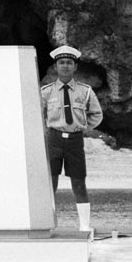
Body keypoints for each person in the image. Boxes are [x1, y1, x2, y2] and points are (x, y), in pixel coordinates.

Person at [41, 45, 103, 235]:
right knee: (50, 183)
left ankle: (84, 225)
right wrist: (48, 131)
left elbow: (96, 115)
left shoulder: (85, 91)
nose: (65, 66)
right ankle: (47, 224)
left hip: (75, 141)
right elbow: (38, 115)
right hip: (54, 140)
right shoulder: (46, 91)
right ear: (56, 67)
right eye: (62, 63)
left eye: (69, 63)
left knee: (79, 183)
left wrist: (81, 127)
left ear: (75, 67)